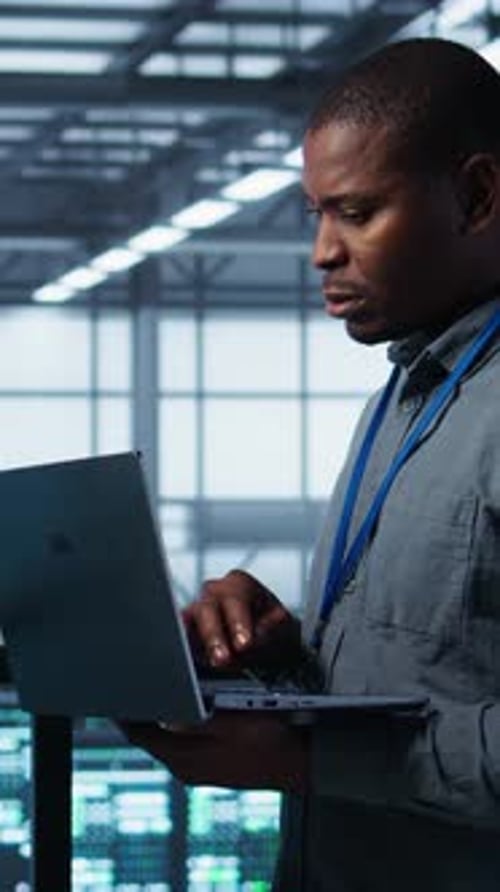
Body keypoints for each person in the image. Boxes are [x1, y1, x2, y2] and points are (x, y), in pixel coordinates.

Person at [121, 37, 500, 891]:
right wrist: (285, 659)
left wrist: (310, 756)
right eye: (316, 215)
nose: (323, 252)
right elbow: (439, 670)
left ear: (476, 196)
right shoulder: (397, 402)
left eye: (358, 213)